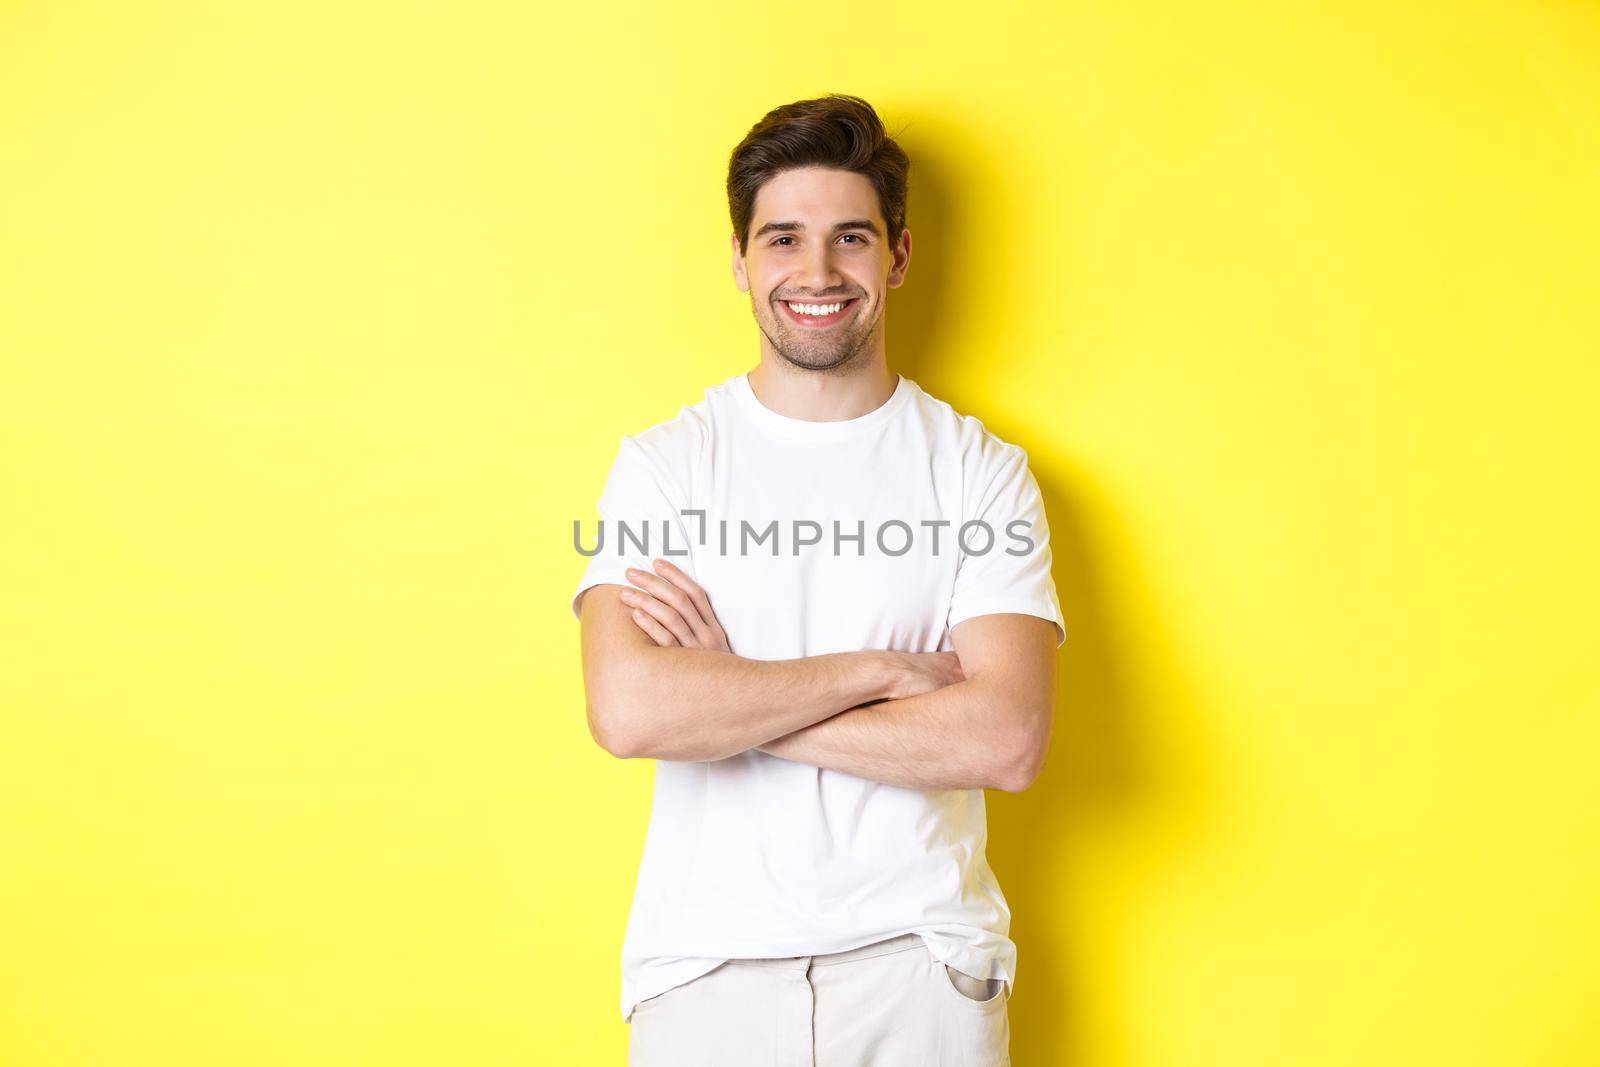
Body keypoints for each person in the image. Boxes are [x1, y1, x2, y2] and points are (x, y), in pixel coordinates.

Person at [570, 92, 1064, 1066]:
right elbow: (629, 710)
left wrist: (730, 697)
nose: (817, 271)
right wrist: (882, 670)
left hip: (920, 965)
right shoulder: (667, 463)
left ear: (898, 256)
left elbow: (1005, 738)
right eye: (783, 238)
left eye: (850, 236)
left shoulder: (979, 469)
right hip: (703, 970)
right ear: (740, 260)